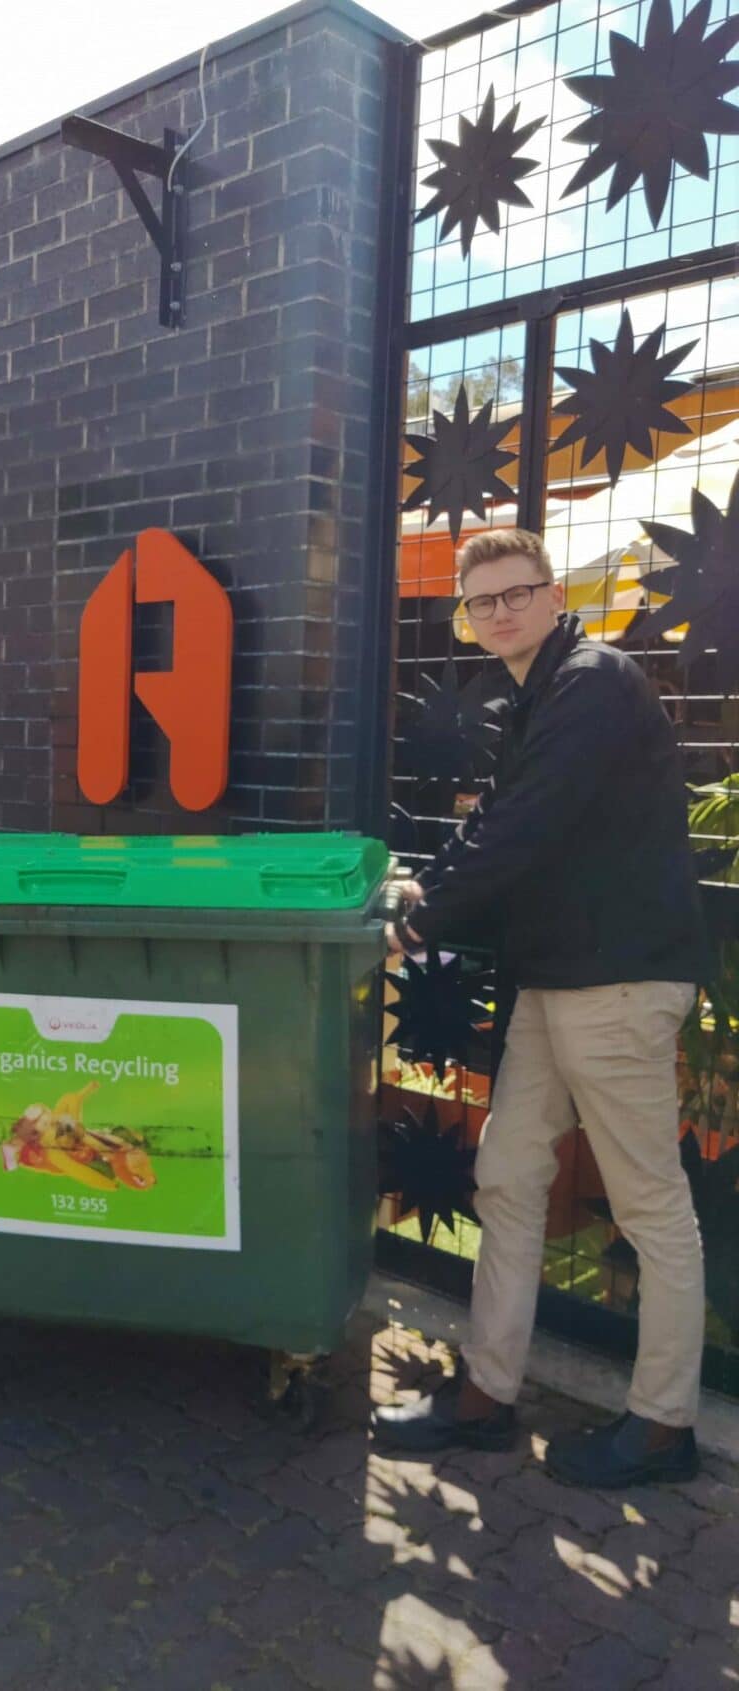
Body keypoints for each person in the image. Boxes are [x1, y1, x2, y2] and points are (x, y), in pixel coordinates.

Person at [371, 529, 708, 1488]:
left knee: (650, 1206)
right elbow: (494, 820)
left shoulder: (592, 682)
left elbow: (529, 820)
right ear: (470, 622)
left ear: (554, 596)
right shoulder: (535, 697)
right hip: (556, 980)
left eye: (517, 592)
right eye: (483, 602)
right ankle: (486, 1396)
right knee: (508, 1177)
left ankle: (660, 1426)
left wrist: (427, 914)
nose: (501, 611)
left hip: (619, 982)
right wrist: (422, 887)